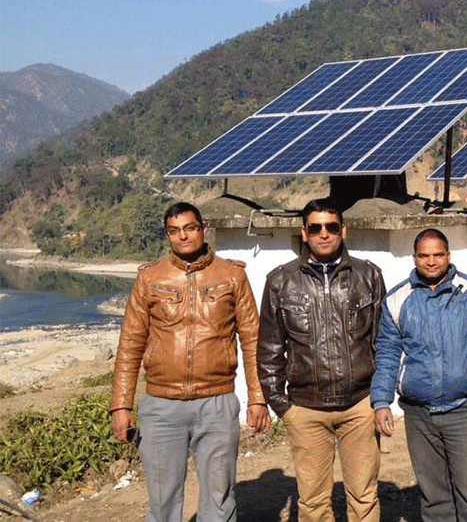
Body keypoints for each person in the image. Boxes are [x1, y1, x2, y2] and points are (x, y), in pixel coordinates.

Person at [109, 201, 269, 522]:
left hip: (217, 403)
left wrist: (258, 398)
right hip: (161, 406)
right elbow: (130, 345)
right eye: (174, 231)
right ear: (168, 235)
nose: (183, 236)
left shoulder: (232, 276)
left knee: (219, 499)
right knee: (162, 500)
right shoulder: (150, 279)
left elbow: (253, 340)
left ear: (203, 228)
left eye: (190, 228)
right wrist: (120, 405)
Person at [258, 198, 386, 522]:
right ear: (304, 233)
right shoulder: (279, 281)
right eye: (315, 227)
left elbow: (382, 341)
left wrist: (379, 397)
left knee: (364, 497)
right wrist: (284, 407)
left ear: (343, 230)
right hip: (306, 410)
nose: (324, 234)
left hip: (360, 406)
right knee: (313, 504)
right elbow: (269, 348)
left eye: (331, 227)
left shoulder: (369, 275)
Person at [371, 228, 467, 522]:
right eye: (424, 255)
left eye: (437, 254)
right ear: (414, 258)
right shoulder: (397, 299)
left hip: (466, 412)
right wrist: (381, 401)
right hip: (419, 414)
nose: (431, 261)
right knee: (434, 499)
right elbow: (387, 352)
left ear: (448, 255)